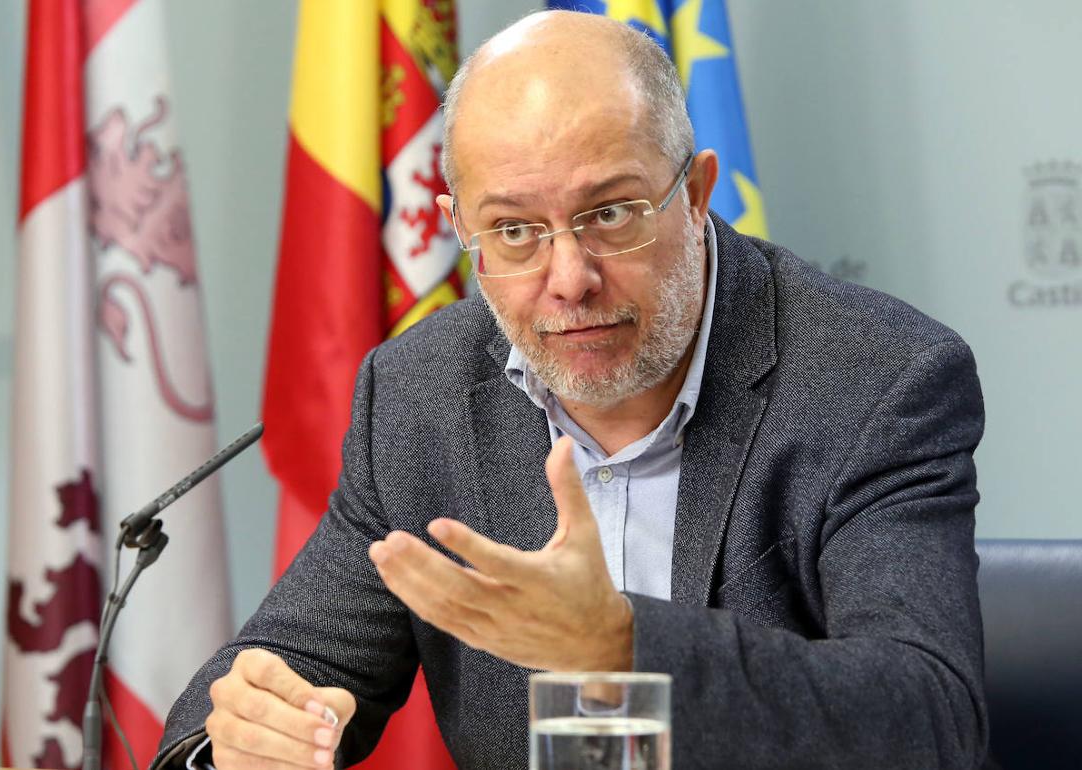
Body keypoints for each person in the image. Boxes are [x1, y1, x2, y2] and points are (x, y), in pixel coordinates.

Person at [154, 10, 988, 770]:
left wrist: (624, 646)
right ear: (462, 232)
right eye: (514, 231)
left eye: (612, 214)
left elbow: (929, 718)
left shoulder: (877, 378)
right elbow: (284, 672)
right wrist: (239, 740)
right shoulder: (420, 395)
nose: (568, 279)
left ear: (695, 193)